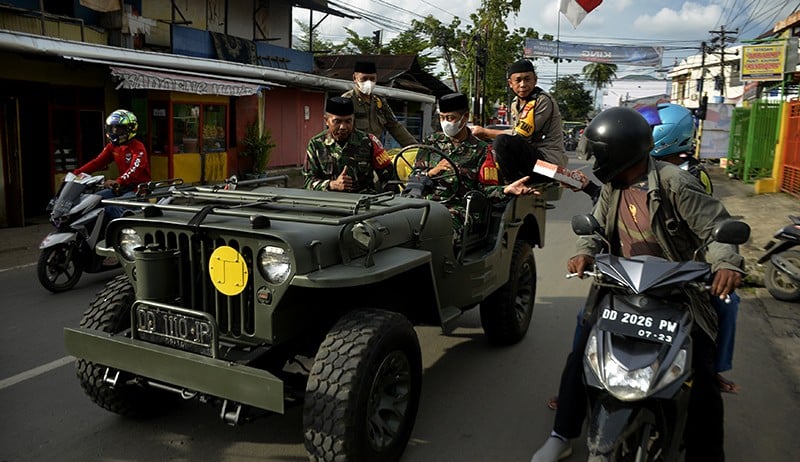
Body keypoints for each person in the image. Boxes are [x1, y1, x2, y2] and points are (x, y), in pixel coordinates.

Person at [531, 107, 745, 462]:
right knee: (581, 356)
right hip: (620, 286)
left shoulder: (675, 182)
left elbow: (716, 227)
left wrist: (725, 262)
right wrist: (584, 252)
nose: (594, 160)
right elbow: (595, 229)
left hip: (680, 292)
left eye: (599, 153)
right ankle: (562, 434)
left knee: (702, 378)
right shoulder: (613, 187)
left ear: (619, 152)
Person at [641, 102, 739, 393]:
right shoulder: (631, 168)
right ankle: (581, 382)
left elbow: (711, 226)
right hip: (636, 263)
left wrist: (726, 263)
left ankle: (715, 370)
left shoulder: (690, 176)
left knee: (727, 302)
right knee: (589, 316)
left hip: (682, 262)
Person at [417, 92, 537, 240]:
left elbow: (486, 189)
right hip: (426, 203)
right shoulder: (430, 143)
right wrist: (431, 173)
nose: (445, 123)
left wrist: (506, 189)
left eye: (450, 118)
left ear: (465, 117)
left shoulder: (481, 150)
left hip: (459, 209)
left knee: (439, 232)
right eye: (442, 117)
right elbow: (414, 177)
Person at [471, 59, 568, 183]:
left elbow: (520, 135)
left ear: (535, 80)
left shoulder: (542, 101)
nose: (523, 85)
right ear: (510, 83)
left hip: (548, 165)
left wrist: (485, 132)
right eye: (518, 80)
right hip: (530, 161)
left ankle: (514, 183)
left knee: (502, 141)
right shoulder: (514, 104)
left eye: (527, 79)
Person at [303, 96, 393, 193]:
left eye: (348, 121)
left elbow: (389, 175)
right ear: (326, 121)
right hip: (328, 204)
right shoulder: (316, 144)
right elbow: (308, 181)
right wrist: (332, 184)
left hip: (362, 202)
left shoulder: (368, 142)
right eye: (337, 121)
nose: (343, 127)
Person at [73, 108, 151, 219]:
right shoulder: (112, 146)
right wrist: (76, 173)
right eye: (112, 128)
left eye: (118, 129)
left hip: (138, 189)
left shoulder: (138, 147)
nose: (114, 132)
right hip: (120, 187)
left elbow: (134, 169)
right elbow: (97, 162)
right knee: (93, 200)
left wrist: (118, 181)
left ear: (130, 129)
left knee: (115, 208)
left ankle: (117, 233)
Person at [342, 60, 417, 147]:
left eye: (372, 79)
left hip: (375, 151)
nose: (369, 83)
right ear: (355, 78)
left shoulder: (379, 101)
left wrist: (415, 147)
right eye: (364, 79)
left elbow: (394, 126)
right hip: (352, 152)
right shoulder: (346, 101)